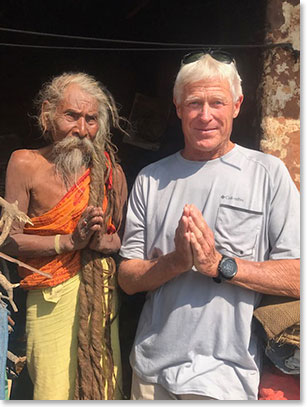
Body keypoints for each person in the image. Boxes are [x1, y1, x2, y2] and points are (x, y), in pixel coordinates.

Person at [118, 50, 300, 400]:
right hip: (151, 373)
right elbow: (127, 278)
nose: (205, 116)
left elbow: (297, 276)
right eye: (194, 103)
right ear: (177, 108)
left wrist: (220, 265)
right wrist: (174, 262)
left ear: (236, 105)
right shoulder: (151, 180)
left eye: (217, 102)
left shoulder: (267, 175)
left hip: (228, 376)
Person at [2, 72, 128, 400]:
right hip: (48, 296)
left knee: (102, 384)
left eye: (90, 119)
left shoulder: (110, 171)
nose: (81, 129)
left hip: (99, 293)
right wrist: (68, 242)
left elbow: (120, 241)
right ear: (47, 113)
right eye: (71, 116)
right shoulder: (25, 163)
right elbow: (7, 241)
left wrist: (100, 242)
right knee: (52, 391)